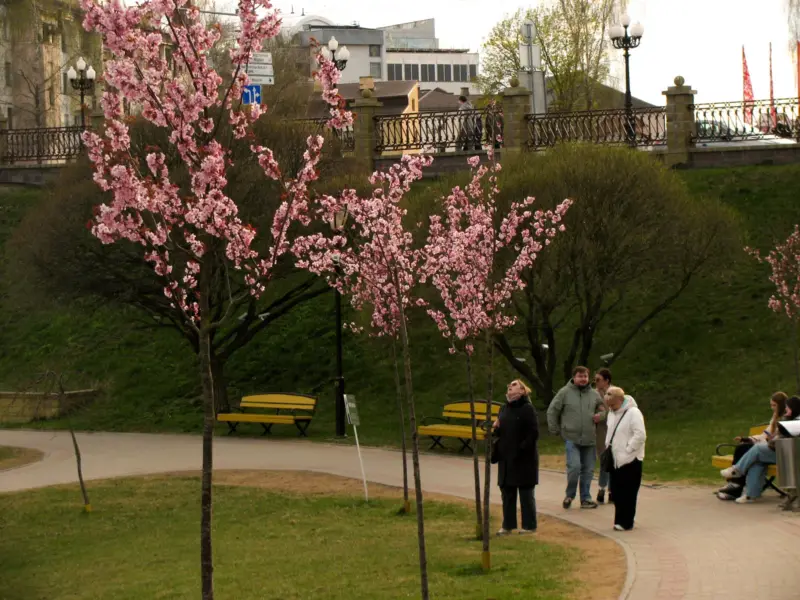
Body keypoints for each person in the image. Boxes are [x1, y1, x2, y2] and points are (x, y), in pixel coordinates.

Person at [720, 396, 800, 504]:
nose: (786, 410)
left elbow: (783, 435)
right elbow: (773, 436)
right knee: (757, 461)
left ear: (794, 408)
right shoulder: (788, 418)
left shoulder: (796, 420)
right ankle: (750, 495)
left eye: (788, 407)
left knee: (757, 449)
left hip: (792, 455)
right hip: (782, 452)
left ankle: (737, 471)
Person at [547, 366, 605, 509]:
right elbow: (552, 410)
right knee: (574, 468)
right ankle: (569, 495)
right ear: (574, 377)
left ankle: (585, 499)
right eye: (580, 376)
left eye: (585, 376)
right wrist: (554, 429)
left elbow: (606, 410)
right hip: (571, 438)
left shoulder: (594, 395)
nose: (583, 379)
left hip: (590, 438)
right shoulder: (564, 393)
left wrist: (601, 416)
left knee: (588, 470)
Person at [493, 379, 539, 535]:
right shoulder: (503, 408)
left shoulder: (527, 409)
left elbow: (533, 433)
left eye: (513, 385)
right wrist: (496, 428)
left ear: (522, 391)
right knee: (507, 493)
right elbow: (499, 433)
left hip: (524, 459)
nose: (509, 387)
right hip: (506, 458)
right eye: (509, 386)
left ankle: (529, 526)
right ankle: (508, 525)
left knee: (526, 494)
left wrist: (521, 448)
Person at [605, 386, 647, 531]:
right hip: (615, 459)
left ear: (619, 398)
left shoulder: (633, 413)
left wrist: (628, 449)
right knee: (616, 492)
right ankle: (619, 519)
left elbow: (640, 435)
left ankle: (626, 522)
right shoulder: (611, 413)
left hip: (631, 459)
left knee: (628, 492)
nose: (606, 396)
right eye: (606, 394)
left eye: (610, 394)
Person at [594, 368, 612, 504]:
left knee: (615, 461)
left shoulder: (615, 392)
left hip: (616, 431)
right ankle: (601, 488)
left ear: (606, 381)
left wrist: (603, 413)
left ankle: (612, 490)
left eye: (598, 380)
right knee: (604, 460)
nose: (596, 382)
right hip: (601, 431)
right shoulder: (594, 394)